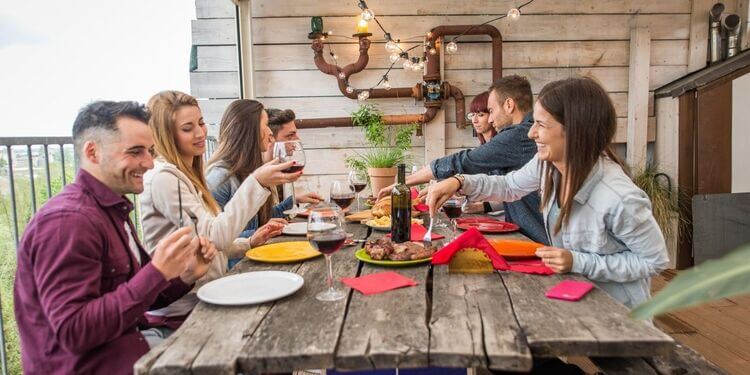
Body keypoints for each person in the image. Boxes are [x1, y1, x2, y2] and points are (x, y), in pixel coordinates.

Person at [426, 77, 670, 308]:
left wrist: (578, 261)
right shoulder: (547, 165)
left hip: (618, 317)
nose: (531, 133)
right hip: (571, 297)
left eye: (540, 125)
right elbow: (509, 186)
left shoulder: (619, 197)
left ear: (574, 130)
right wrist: (458, 181)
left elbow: (654, 261)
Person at [13, 101, 218, 374]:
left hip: (137, 347)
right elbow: (73, 331)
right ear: (93, 152)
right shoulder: (68, 222)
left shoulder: (111, 209)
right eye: (135, 152)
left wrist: (187, 274)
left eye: (150, 151)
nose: (148, 162)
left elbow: (142, 298)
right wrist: (156, 272)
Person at [139, 91, 302, 319]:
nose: (199, 133)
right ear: (166, 135)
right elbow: (216, 236)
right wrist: (257, 182)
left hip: (209, 294)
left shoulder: (185, 175)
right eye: (187, 128)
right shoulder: (164, 178)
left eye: (201, 123)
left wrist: (248, 242)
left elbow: (205, 242)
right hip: (184, 311)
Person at [378, 75, 547, 244]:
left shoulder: (519, 135)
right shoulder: (522, 135)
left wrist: (406, 182)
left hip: (538, 242)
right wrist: (456, 183)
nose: (490, 118)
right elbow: (504, 184)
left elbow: (464, 161)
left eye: (491, 111)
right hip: (525, 237)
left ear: (509, 105)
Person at [206, 100, 322, 268]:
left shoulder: (250, 169)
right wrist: (257, 234)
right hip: (237, 269)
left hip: (256, 261)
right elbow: (213, 239)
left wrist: (291, 203)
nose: (270, 133)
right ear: (250, 131)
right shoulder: (219, 178)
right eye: (266, 124)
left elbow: (259, 218)